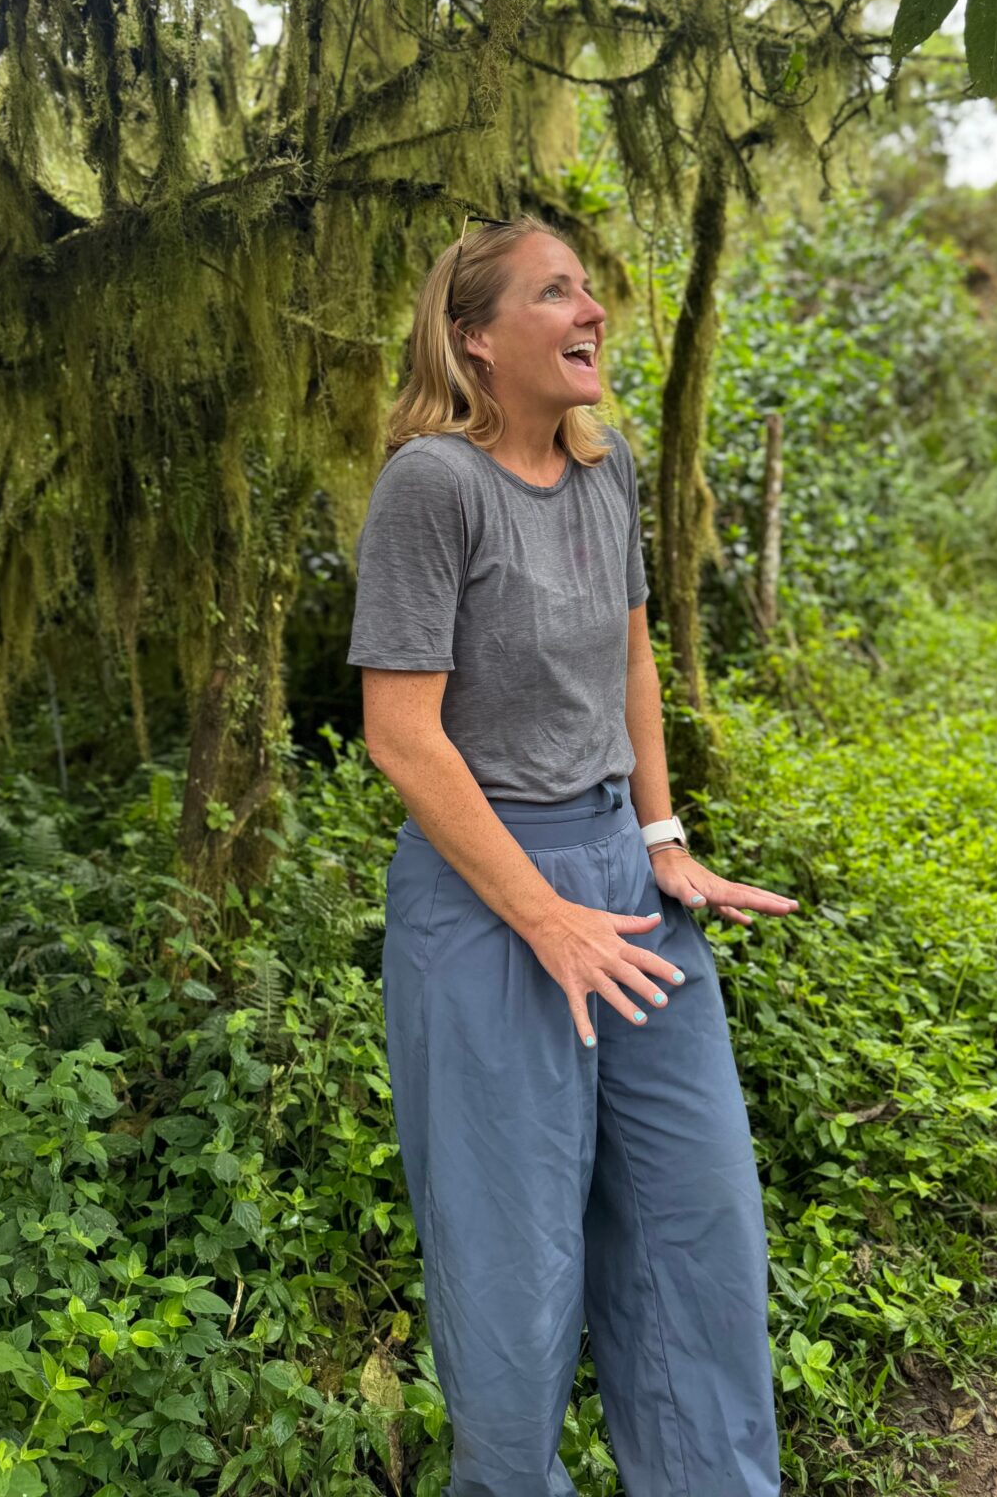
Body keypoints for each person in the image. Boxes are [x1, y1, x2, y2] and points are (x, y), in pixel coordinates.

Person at [346, 210, 798, 1497]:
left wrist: (662, 835)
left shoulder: (607, 469)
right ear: (477, 338)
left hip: (626, 887)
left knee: (697, 1225)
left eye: (588, 289)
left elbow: (632, 658)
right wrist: (545, 916)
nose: (593, 310)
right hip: (490, 899)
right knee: (513, 1268)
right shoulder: (433, 486)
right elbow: (400, 733)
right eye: (556, 292)